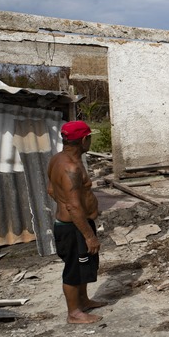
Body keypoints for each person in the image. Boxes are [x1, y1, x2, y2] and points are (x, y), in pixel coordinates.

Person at [47, 120, 107, 324]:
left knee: (84, 265)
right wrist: (89, 236)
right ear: (84, 140)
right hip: (73, 228)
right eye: (89, 137)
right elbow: (73, 206)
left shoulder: (57, 159)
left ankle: (83, 300)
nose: (89, 141)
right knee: (74, 268)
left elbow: (51, 191)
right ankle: (74, 313)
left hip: (76, 224)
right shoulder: (71, 168)